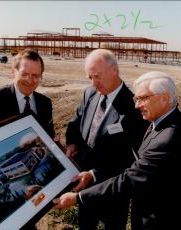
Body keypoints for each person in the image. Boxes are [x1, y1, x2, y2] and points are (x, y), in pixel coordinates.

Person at [55, 71, 181, 230]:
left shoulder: (169, 136)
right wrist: (93, 174)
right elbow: (136, 163)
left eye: (143, 98)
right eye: (137, 99)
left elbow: (131, 178)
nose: (137, 105)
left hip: (161, 220)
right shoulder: (170, 120)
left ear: (164, 98)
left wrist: (78, 198)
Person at [65, 49, 147, 229]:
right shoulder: (89, 93)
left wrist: (95, 174)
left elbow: (134, 156)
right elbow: (76, 122)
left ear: (114, 70)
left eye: (97, 76)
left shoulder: (134, 105)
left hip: (113, 188)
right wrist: (72, 143)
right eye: (89, 77)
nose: (94, 83)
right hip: (84, 184)